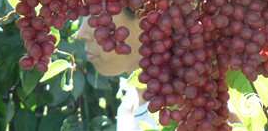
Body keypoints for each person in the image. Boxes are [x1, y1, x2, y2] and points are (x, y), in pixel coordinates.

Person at [76, 7, 243, 130]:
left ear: (146, 12)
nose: (80, 33)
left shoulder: (196, 112)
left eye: (96, 12)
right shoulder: (128, 105)